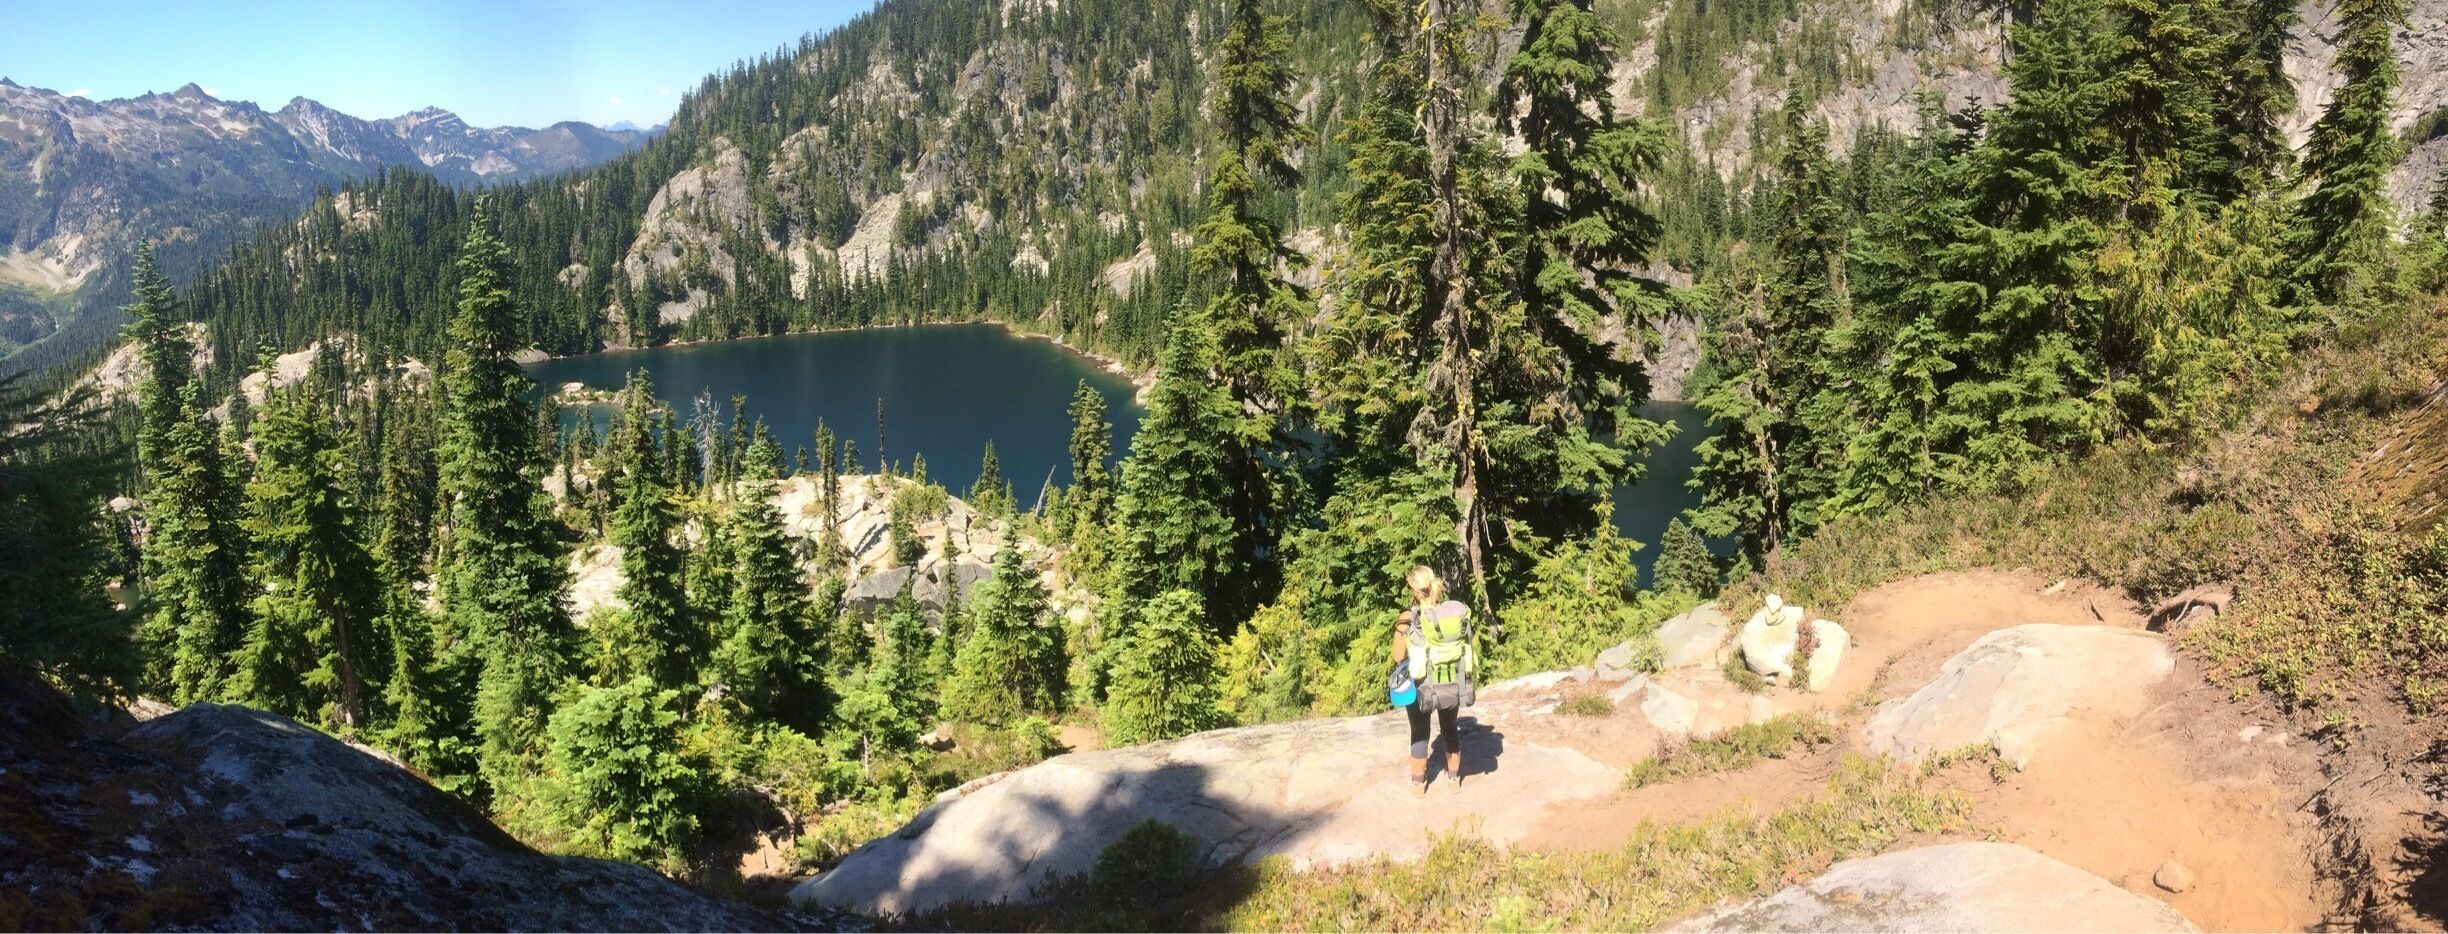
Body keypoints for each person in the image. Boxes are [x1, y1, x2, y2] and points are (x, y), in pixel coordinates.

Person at [1391, 565, 1474, 791]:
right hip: (1450, 681)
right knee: (1450, 729)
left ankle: (1419, 783)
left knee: (1419, 733)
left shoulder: (1408, 617)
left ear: (1415, 592)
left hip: (1421, 687)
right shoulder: (1451, 615)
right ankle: (1454, 779)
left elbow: (1398, 656)